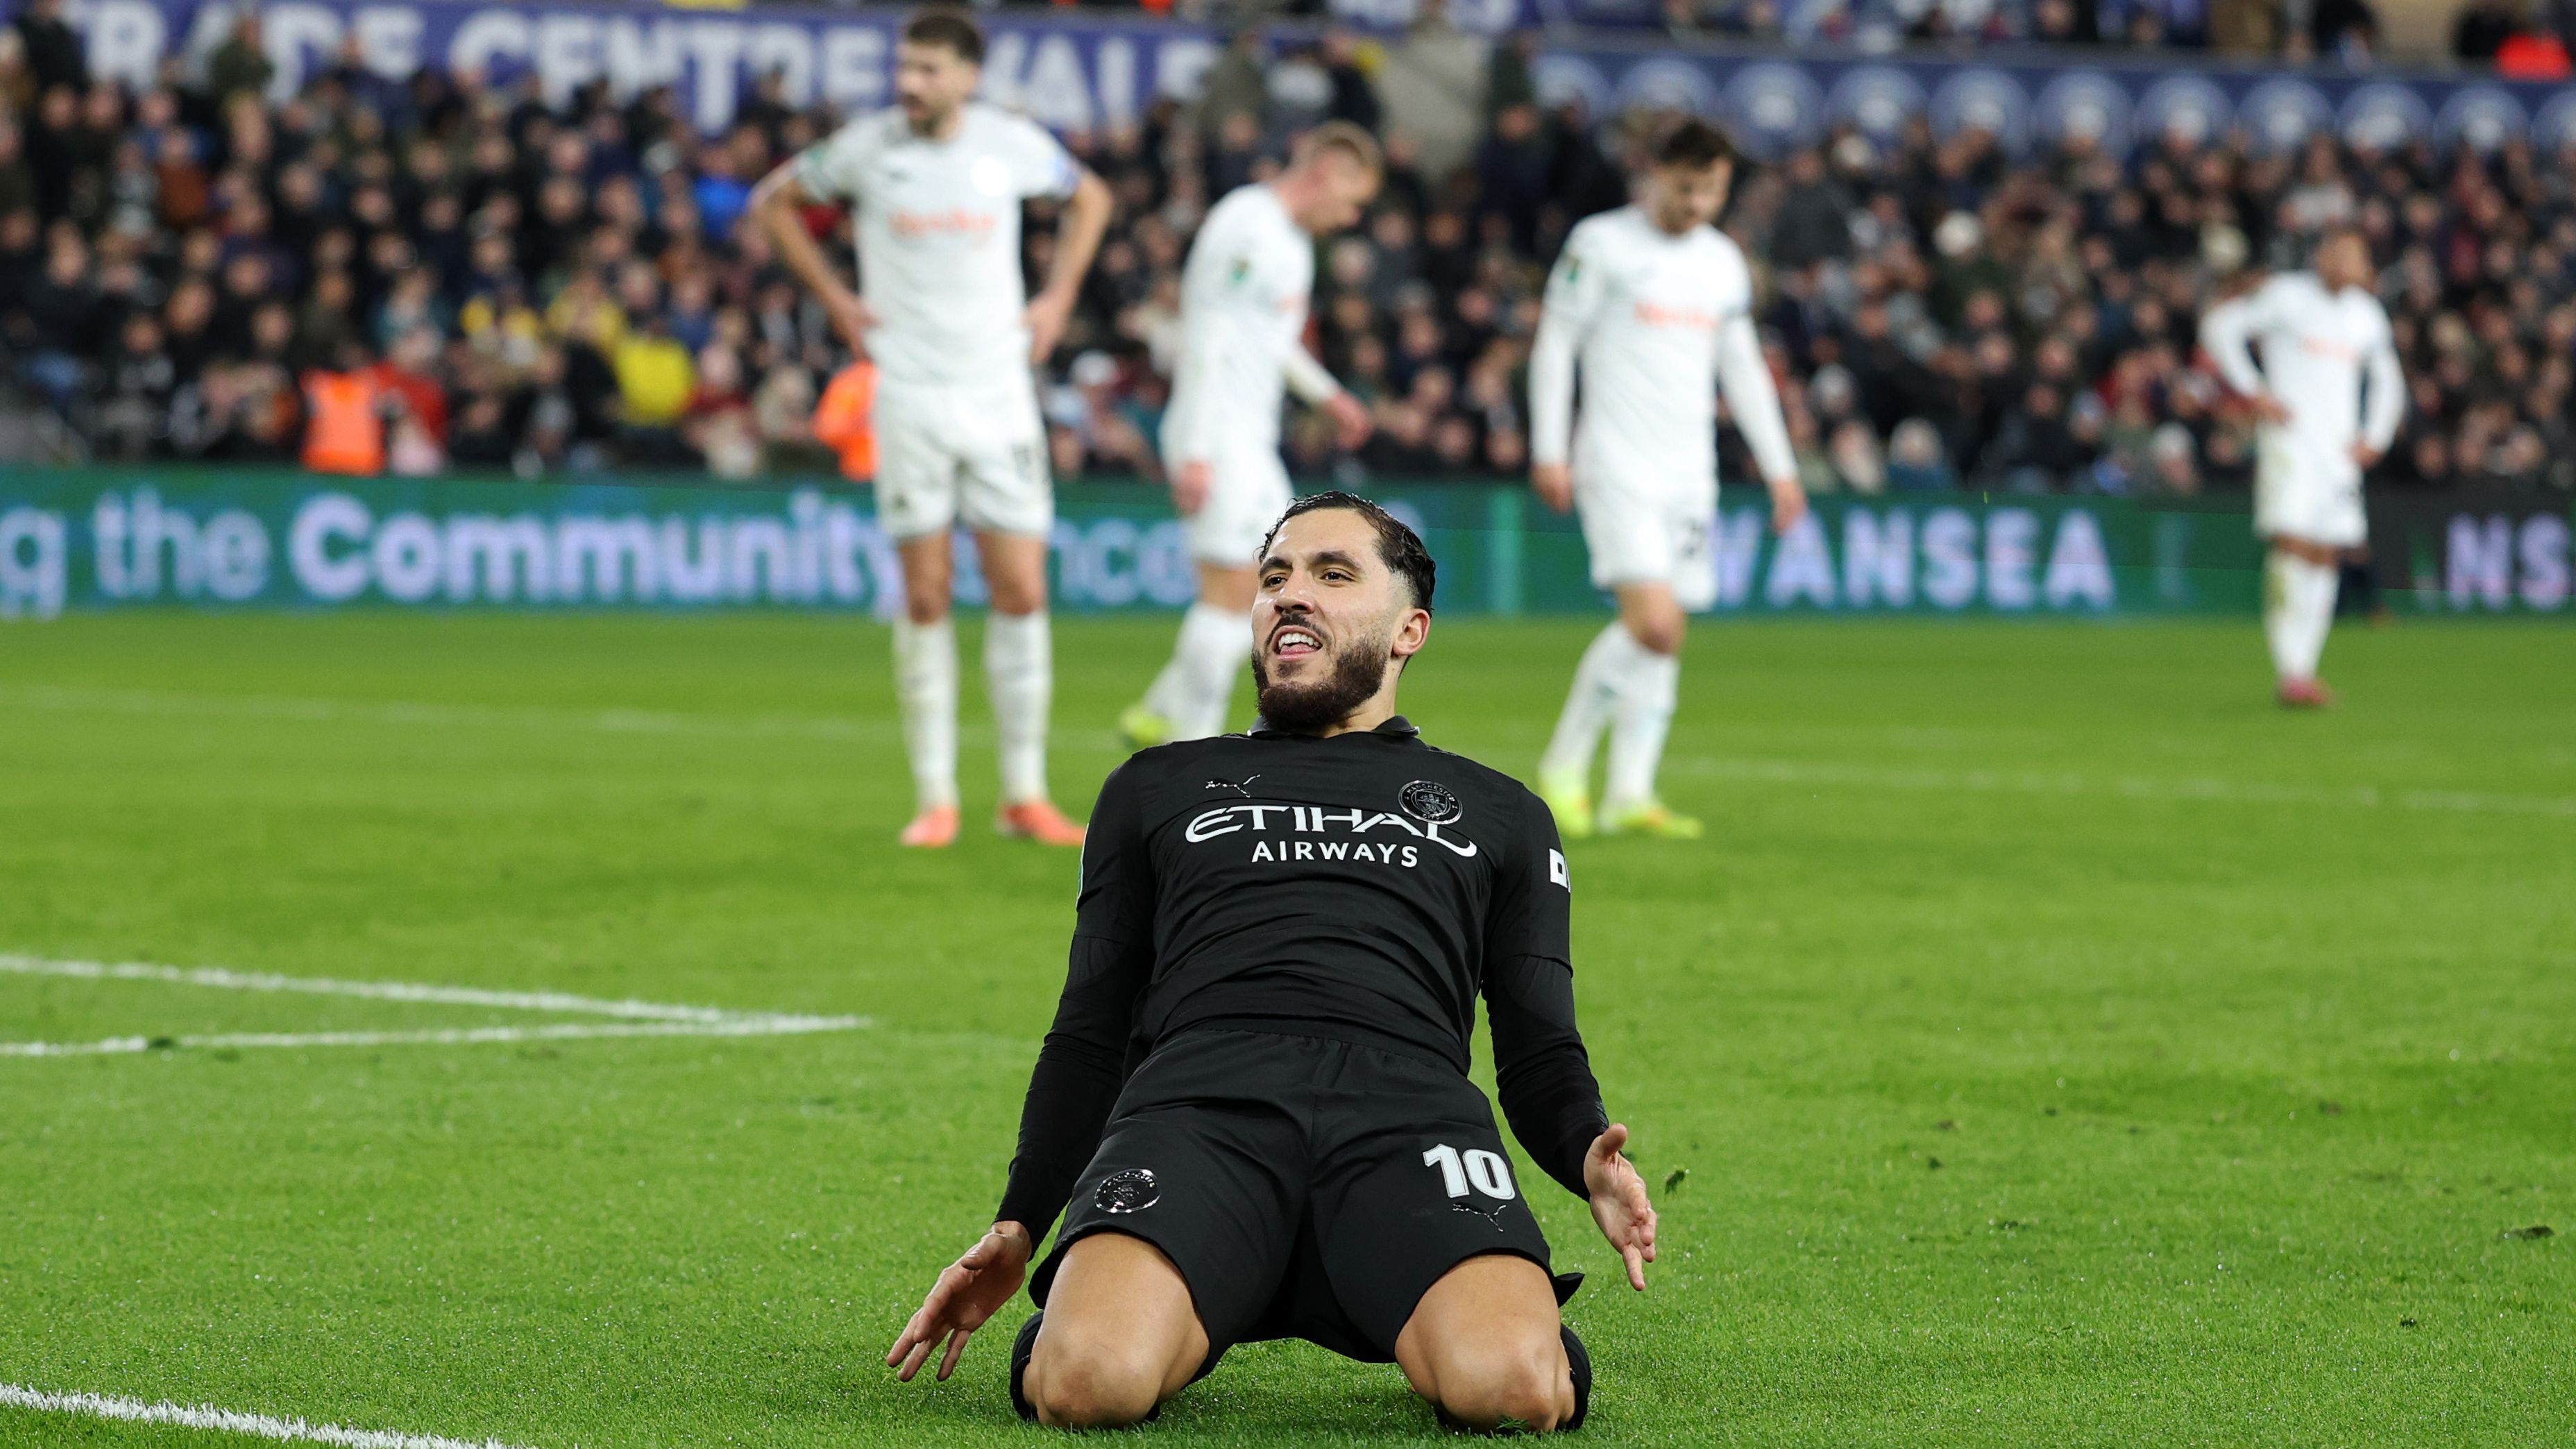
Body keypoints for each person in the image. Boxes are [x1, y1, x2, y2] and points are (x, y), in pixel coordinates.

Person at [883, 493, 1659, 1433]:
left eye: (1334, 575)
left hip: (1407, 1118)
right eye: (1275, 577)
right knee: (1087, 1385)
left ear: (1408, 630)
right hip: (1198, 1112)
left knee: (1514, 1392)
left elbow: (1538, 1049)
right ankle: (1110, 1303)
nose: (1292, 595)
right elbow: (1090, 1032)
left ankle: (1498, 1316)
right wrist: (1020, 1223)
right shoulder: (1154, 786)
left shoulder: (1502, 812)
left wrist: (1586, 1157)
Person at [749, 7, 1113, 847]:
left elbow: (1091, 196)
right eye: (904, 67)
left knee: (1022, 590)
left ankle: (1023, 795)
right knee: (925, 593)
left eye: (927, 70)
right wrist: (836, 299)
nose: (908, 83)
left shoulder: (1009, 144)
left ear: (967, 77)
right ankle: (936, 797)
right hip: (910, 393)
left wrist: (1059, 296)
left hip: (998, 392)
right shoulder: (864, 149)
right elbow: (775, 202)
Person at [1525, 119, 1806, 840]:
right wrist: (1549, 448)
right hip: (1616, 462)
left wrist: (1781, 469)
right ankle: (1563, 765)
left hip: (1690, 474)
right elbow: (1556, 342)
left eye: (1711, 192)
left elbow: (1742, 367)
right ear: (1656, 175)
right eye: (1686, 189)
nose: (1697, 205)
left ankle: (1630, 793)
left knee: (1665, 634)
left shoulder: (1721, 262)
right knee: (1654, 623)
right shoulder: (1601, 244)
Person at [1121, 124, 1379, 749]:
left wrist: (1328, 394)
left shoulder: (1291, 243)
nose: (1349, 218)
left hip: (1249, 439)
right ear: (1326, 174)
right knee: (1233, 594)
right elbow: (1205, 334)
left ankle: (1159, 711)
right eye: (1351, 202)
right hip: (1217, 433)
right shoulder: (1246, 225)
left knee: (1267, 582)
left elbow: (1272, 340)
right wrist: (1197, 449)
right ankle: (1193, 752)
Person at [2198, 226, 2402, 708]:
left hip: (2339, 453)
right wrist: (2254, 391)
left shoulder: (2365, 314)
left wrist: (2375, 437)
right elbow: (2220, 327)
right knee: (2291, 541)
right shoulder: (2287, 296)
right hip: (2291, 442)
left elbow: (2388, 379)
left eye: (2356, 256)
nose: (2347, 264)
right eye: (2340, 253)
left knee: (2327, 551)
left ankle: (2304, 668)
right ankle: (2290, 668)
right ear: (2322, 257)